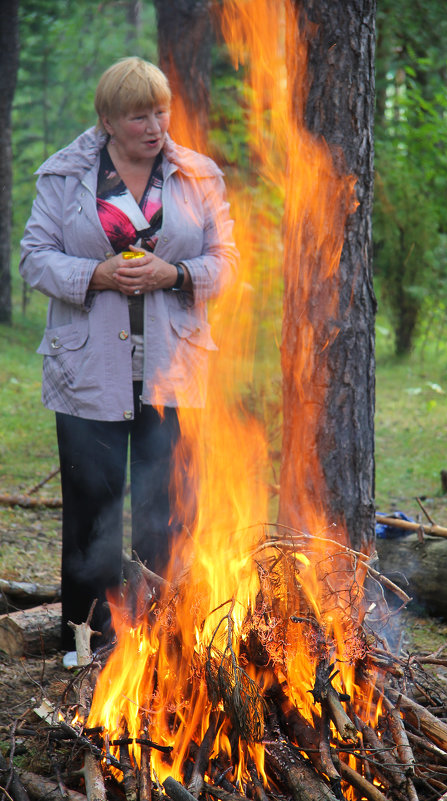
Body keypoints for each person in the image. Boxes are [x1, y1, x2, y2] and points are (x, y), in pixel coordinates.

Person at [20, 57, 238, 657]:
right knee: (91, 503)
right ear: (108, 121)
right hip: (87, 366)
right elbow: (35, 257)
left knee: (165, 506)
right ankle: (86, 643)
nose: (154, 125)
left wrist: (179, 272)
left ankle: (163, 641)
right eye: (138, 115)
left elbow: (228, 264)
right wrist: (96, 274)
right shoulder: (65, 175)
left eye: (161, 111)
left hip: (175, 368)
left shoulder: (198, 176)